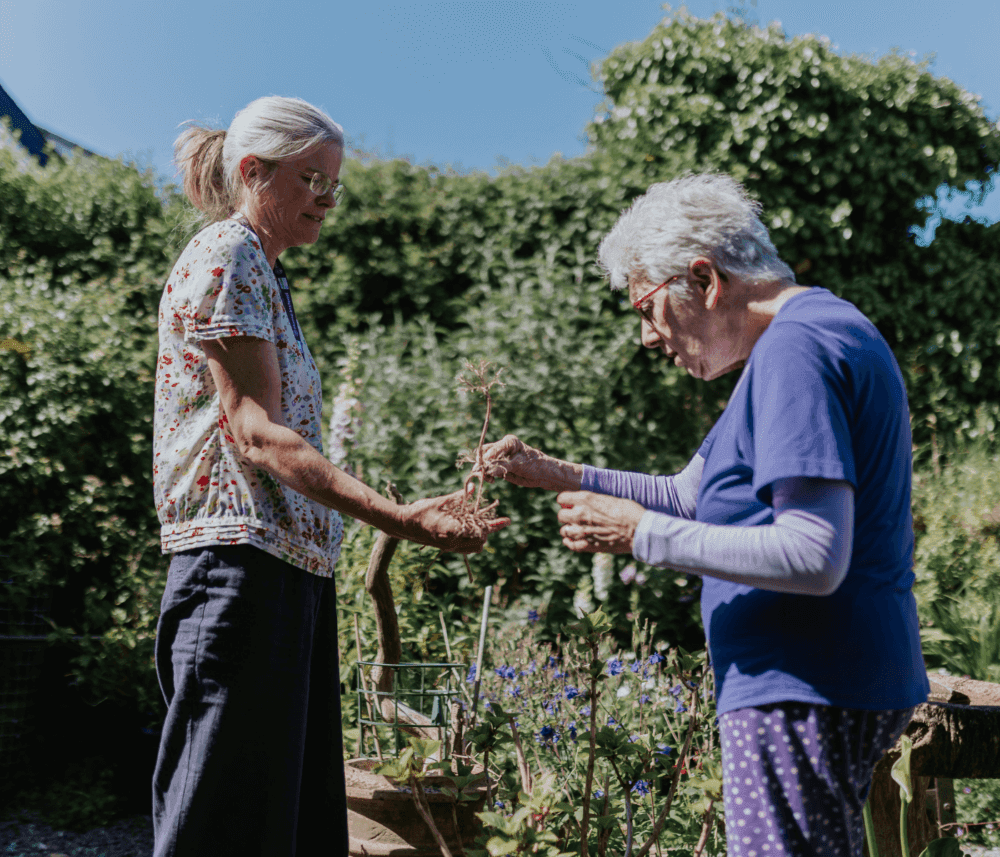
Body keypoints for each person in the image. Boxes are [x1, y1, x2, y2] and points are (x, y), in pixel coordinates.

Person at [481, 174, 928, 857]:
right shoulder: (810, 335)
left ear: (704, 279)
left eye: (648, 307)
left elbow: (814, 551)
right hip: (820, 682)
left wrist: (638, 535)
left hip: (801, 687)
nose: (647, 336)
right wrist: (562, 475)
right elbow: (695, 493)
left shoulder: (795, 351)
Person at [151, 95, 508, 857]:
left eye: (334, 184)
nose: (326, 198)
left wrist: (401, 511)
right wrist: (402, 518)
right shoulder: (228, 253)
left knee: (281, 823)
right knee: (218, 822)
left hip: (287, 570)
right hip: (236, 569)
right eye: (311, 178)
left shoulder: (267, 275)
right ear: (253, 172)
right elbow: (257, 435)